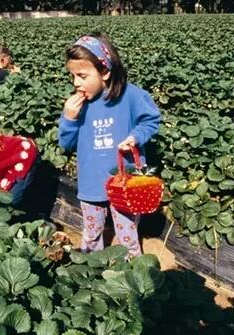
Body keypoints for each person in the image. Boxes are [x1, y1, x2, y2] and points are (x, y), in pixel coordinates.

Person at [58, 33, 161, 258]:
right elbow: (65, 144)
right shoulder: (77, 105)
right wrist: (69, 119)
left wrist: (136, 136)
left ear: (104, 72)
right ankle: (90, 269)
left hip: (125, 182)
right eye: (73, 76)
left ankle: (133, 271)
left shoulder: (131, 96)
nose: (76, 83)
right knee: (92, 231)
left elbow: (151, 120)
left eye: (82, 76)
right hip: (91, 182)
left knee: (127, 232)